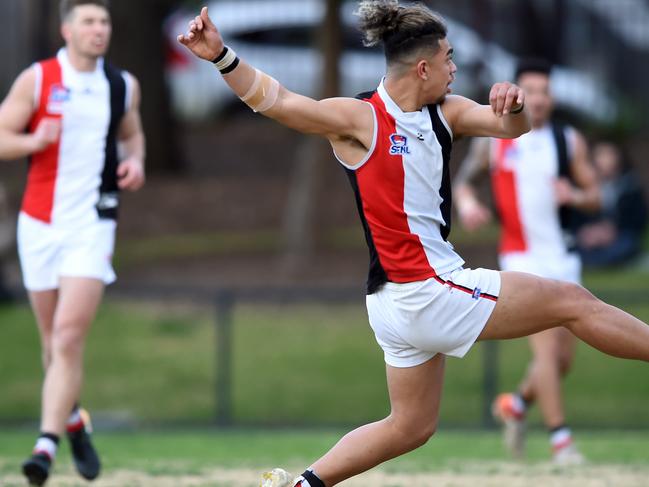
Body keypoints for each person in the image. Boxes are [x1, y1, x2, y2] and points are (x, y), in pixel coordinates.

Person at [178, 3, 649, 486]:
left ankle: (303, 485)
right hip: (425, 289)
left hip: (394, 303)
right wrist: (221, 57)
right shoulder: (362, 118)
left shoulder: (447, 113)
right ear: (423, 67)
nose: (455, 67)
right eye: (448, 58)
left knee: (410, 426)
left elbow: (511, 127)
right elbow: (278, 101)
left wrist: (516, 104)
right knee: (571, 300)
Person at [0, 0, 145, 485]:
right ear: (67, 29)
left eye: (103, 21)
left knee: (66, 337)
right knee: (50, 343)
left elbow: (131, 135)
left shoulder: (122, 85)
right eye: (88, 21)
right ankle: (75, 421)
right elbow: (2, 137)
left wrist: (136, 162)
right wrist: (33, 141)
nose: (98, 29)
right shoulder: (37, 79)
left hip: (92, 225)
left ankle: (45, 445)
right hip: (39, 225)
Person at [453, 58, 600, 464]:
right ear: (517, 92)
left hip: (564, 259)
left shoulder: (568, 141)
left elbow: (595, 196)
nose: (537, 98)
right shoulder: (495, 139)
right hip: (522, 258)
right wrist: (467, 204)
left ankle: (515, 405)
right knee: (547, 354)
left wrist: (574, 196)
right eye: (530, 90)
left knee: (564, 360)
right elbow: (465, 181)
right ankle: (562, 442)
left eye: (544, 91)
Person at [577, 141, 648, 268]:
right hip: (593, 236)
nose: (605, 160)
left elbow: (637, 221)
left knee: (625, 245)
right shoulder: (587, 185)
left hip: (621, 236)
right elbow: (579, 216)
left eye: (609, 155)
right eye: (601, 155)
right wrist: (591, 231)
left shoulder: (630, 185)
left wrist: (613, 231)